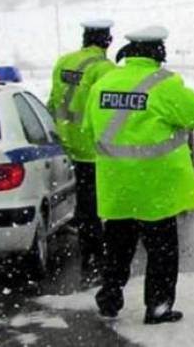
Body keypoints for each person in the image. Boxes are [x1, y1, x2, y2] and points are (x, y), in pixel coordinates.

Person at [82, 25, 194, 322]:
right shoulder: (164, 84)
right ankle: (158, 307)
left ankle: (110, 297)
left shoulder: (104, 82)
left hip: (117, 186)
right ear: (157, 52)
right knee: (162, 253)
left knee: (117, 249)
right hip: (155, 187)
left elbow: (89, 130)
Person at [46, 20, 117, 287]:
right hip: (95, 149)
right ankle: (97, 260)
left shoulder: (64, 62)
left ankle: (91, 257)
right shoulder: (104, 69)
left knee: (85, 206)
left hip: (68, 144)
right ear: (107, 42)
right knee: (100, 207)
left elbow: (53, 101)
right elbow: (108, 110)